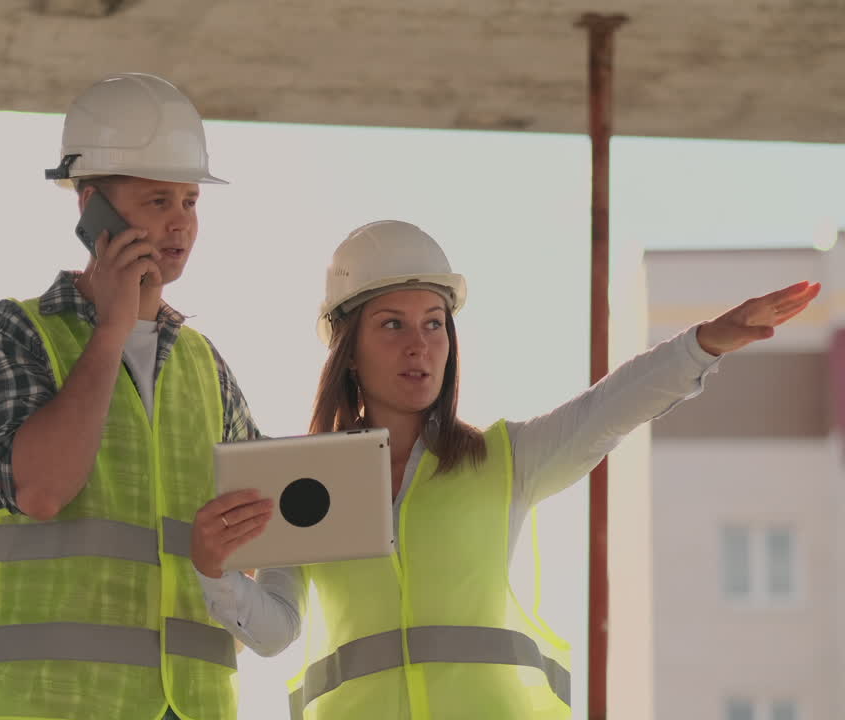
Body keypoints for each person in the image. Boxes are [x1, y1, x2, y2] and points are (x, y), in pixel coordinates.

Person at [189, 219, 821, 719]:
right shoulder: (305, 480)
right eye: (392, 325)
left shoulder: (505, 460)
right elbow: (274, 632)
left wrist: (703, 344)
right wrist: (214, 571)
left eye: (434, 324)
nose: (419, 344)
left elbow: (607, 409)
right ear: (348, 350)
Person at [0, 73, 263, 720]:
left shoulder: (206, 366)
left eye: (190, 201)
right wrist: (112, 330)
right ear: (92, 207)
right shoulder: (14, 332)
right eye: (157, 200)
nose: (180, 222)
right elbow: (42, 490)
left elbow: (256, 548)